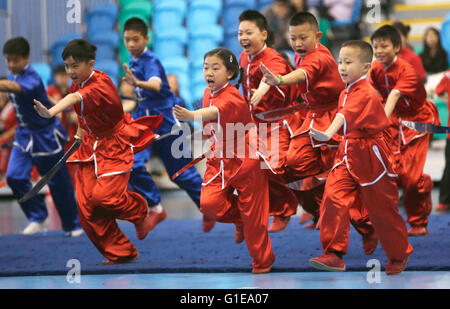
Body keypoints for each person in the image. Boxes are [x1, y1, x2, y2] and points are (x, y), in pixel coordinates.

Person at [33, 39, 163, 264]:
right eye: (66, 66)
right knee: (86, 209)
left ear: (90, 63)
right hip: (90, 146)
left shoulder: (100, 84)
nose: (70, 71)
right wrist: (81, 132)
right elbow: (83, 111)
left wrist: (51, 111)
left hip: (114, 145)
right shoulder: (77, 83)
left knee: (106, 198)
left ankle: (140, 212)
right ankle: (121, 252)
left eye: (75, 66)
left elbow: (76, 99)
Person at [308, 40, 413, 275]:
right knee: (333, 198)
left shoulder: (365, 92)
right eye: (340, 62)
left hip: (372, 154)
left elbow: (345, 116)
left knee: (381, 209)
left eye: (348, 62)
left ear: (366, 67)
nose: (342, 67)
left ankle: (399, 253)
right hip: (347, 151)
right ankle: (334, 254)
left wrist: (327, 134)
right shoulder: (345, 90)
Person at [173, 48, 275, 274]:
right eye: (206, 67)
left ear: (229, 73)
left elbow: (214, 112)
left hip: (246, 157)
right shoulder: (208, 92)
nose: (208, 72)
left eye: (215, 68)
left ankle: (263, 261)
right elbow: (213, 124)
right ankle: (241, 220)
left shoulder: (231, 97)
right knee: (209, 205)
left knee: (255, 216)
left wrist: (190, 116)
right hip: (220, 156)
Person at [121, 18, 213, 233]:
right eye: (127, 40)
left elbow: (155, 85)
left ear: (147, 38)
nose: (131, 44)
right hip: (145, 124)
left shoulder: (149, 60)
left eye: (136, 39)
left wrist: (137, 83)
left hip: (168, 124)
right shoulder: (133, 61)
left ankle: (209, 208)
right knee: (131, 164)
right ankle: (155, 206)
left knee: (182, 174)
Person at [260, 12, 344, 228]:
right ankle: (319, 211)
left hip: (335, 117)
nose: (297, 43)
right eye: (293, 38)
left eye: (303, 38)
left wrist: (279, 79)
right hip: (313, 116)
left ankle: (364, 225)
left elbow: (303, 75)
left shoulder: (319, 57)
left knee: (340, 175)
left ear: (318, 36)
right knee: (293, 166)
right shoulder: (301, 54)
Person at [0, 37, 82, 236]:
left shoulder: (33, 78)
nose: (11, 64)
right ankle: (37, 215)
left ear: (26, 58)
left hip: (45, 135)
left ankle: (72, 224)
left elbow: (17, 89)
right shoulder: (12, 75)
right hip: (24, 135)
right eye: (8, 60)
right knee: (14, 177)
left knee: (57, 182)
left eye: (16, 60)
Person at [369, 25, 440, 236]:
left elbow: (392, 97)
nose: (379, 51)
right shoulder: (375, 69)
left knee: (411, 178)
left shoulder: (407, 71)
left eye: (384, 46)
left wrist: (378, 121)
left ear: (397, 47)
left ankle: (418, 220)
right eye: (376, 47)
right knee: (390, 172)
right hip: (392, 122)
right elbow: (373, 94)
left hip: (415, 124)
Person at [238, 10, 299, 233]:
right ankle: (269, 212)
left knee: (275, 168)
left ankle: (293, 208)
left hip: (278, 123)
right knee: (250, 169)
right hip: (254, 124)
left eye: (249, 32)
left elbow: (270, 78)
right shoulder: (244, 57)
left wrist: (263, 89)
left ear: (264, 34)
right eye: (240, 32)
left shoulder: (274, 58)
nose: (243, 37)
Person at [46, 65, 78, 183]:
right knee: (55, 165)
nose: (61, 78)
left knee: (71, 163)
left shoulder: (74, 91)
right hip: (54, 135)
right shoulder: (49, 92)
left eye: (64, 75)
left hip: (71, 135)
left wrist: (75, 116)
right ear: (54, 77)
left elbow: (80, 112)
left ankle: (73, 192)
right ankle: (51, 193)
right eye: (58, 76)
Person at [435, 69, 450, 211]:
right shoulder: (448, 75)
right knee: (449, 168)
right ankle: (443, 201)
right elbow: (438, 90)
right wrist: (447, 100)